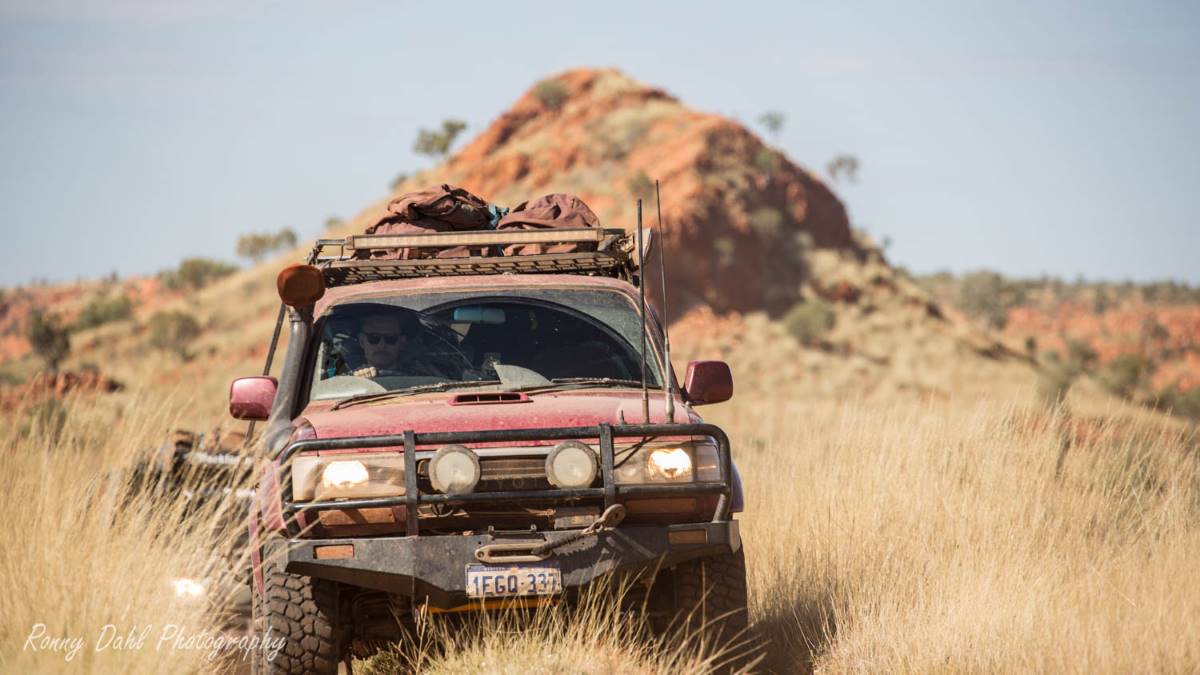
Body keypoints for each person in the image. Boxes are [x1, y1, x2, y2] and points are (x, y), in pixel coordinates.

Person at [351, 312, 453, 379]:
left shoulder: (422, 375)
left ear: (402, 342)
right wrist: (357, 382)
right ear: (362, 341)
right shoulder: (347, 377)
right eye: (374, 338)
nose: (382, 345)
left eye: (391, 338)